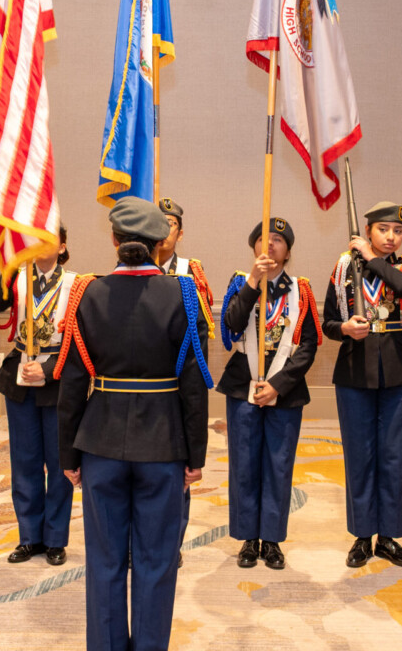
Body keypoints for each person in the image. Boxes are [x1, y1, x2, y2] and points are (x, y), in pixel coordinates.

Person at [56, 198, 211, 651]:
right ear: (161, 243)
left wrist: (69, 455)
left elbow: (71, 385)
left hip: (100, 443)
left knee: (104, 562)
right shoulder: (182, 294)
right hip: (164, 446)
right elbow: (194, 384)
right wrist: (195, 455)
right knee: (156, 561)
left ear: (113, 240)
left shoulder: (87, 293)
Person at [323, 201, 402, 569]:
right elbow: (327, 323)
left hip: (399, 369)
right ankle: (362, 535)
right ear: (368, 230)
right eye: (383, 230)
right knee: (360, 454)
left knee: (395, 455)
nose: (390, 236)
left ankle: (389, 536)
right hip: (355, 369)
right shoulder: (342, 269)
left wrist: (370, 257)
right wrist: (345, 330)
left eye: (397, 231)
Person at [217, 217, 319, 570]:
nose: (271, 244)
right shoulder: (240, 283)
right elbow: (230, 326)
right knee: (244, 464)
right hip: (243, 386)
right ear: (254, 248)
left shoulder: (300, 290)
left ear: (288, 250)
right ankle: (248, 538)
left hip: (284, 391)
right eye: (264, 239)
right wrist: (253, 281)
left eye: (278, 239)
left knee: (278, 465)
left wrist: (278, 384)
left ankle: (272, 539)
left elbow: (307, 347)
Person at [0, 226, 76, 566]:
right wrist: (10, 264)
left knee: (58, 464)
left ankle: (55, 539)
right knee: (24, 461)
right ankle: (29, 537)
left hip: (56, 378)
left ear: (63, 246)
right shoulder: (19, 276)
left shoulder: (75, 285)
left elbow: (82, 340)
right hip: (21, 374)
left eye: (49, 238)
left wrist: (52, 367)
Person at [155, 196, 213, 566]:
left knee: (178, 471)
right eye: (157, 224)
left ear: (180, 231)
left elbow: (202, 331)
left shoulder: (192, 273)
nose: (163, 231)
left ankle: (172, 542)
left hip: (177, 383)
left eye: (170, 224)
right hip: (141, 382)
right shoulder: (131, 268)